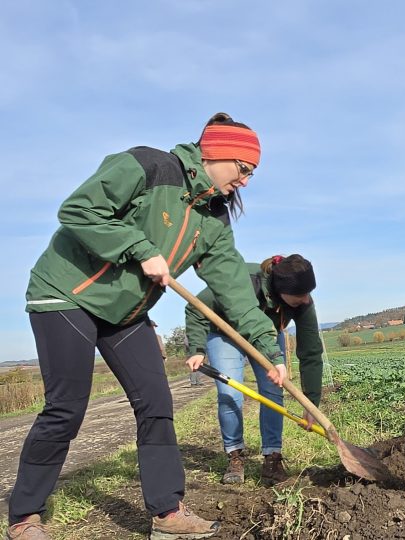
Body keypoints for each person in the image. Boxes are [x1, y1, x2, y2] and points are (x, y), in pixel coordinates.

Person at [9, 113, 288, 540]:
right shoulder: (150, 166)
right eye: (244, 168)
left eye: (252, 173)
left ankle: (167, 513)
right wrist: (139, 248)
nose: (246, 181)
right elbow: (78, 210)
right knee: (67, 407)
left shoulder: (214, 218)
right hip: (67, 294)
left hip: (125, 312)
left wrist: (268, 349)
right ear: (216, 154)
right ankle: (24, 516)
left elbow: (235, 289)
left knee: (156, 402)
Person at [184, 254, 324, 486]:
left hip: (267, 337)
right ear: (281, 290)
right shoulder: (242, 279)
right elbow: (195, 308)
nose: (306, 299)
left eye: (308, 293)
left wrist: (311, 403)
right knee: (230, 393)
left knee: (273, 390)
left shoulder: (302, 300)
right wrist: (197, 348)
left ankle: (272, 459)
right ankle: (235, 455)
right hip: (225, 333)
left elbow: (311, 352)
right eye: (300, 295)